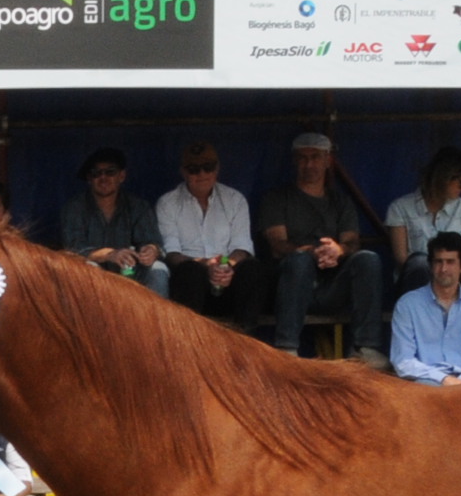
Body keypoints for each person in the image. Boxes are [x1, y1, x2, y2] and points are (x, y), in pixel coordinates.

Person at [259, 132, 388, 366]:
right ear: (294, 161)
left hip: (332, 286)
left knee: (368, 259)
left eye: (316, 157)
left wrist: (338, 250)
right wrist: (311, 252)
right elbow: (277, 244)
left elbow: (352, 241)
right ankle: (287, 348)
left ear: (328, 160)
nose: (309, 164)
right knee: (299, 260)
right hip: (292, 287)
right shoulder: (278, 198)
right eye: (303, 158)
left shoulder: (340, 201)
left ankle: (365, 347)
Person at [155, 140, 262, 327]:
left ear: (217, 168)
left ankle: (246, 341)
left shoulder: (235, 199)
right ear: (183, 172)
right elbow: (171, 254)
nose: (202, 174)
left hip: (228, 278)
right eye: (194, 169)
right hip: (191, 285)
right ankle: (188, 343)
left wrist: (227, 266)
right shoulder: (167, 203)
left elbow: (242, 245)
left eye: (208, 167)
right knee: (190, 271)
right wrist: (205, 265)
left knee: (252, 269)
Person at [390, 232, 461, 386]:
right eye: (438, 262)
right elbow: (403, 360)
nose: (443, 269)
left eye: (450, 262)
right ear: (430, 265)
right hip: (427, 383)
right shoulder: (408, 304)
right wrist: (444, 379)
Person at [382, 147, 461, 297]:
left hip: (455, 280)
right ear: (445, 178)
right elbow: (402, 260)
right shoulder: (400, 207)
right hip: (418, 281)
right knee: (418, 263)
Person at [57, 147, 163, 291]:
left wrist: (150, 250)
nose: (103, 178)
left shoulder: (138, 206)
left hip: (130, 275)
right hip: (93, 277)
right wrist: (110, 254)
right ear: (89, 179)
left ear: (122, 176)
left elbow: (152, 242)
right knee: (89, 268)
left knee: (158, 269)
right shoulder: (74, 208)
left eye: (110, 172)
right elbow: (73, 250)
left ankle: (157, 315)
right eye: (96, 173)